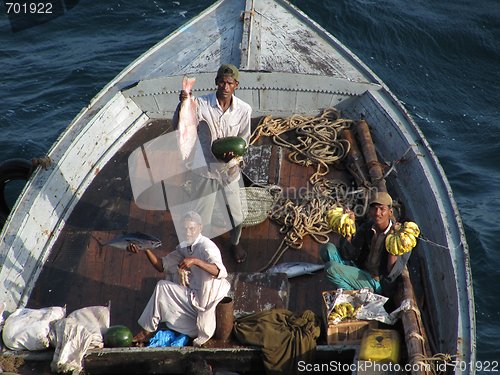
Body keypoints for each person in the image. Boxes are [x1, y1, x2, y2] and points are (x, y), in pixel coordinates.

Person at [173, 64, 252, 264]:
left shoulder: (244, 110)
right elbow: (178, 125)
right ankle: (201, 250)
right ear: (216, 82)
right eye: (222, 82)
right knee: (201, 217)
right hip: (205, 170)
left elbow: (244, 141)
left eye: (230, 83)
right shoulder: (200, 104)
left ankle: (234, 242)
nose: (225, 86)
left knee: (237, 214)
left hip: (230, 170)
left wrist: (232, 159)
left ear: (236, 85)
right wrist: (182, 104)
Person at [129, 211, 230, 346]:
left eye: (191, 229)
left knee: (162, 287)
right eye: (185, 229)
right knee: (166, 282)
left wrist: (195, 261)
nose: (188, 233)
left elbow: (219, 271)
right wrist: (145, 248)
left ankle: (148, 331)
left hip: (208, 301)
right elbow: (162, 266)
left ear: (200, 228)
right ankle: (148, 330)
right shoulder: (183, 247)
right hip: (194, 298)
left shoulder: (207, 246)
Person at [320, 191, 411, 296]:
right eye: (374, 208)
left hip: (376, 282)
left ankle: (351, 294)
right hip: (360, 269)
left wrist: (393, 249)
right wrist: (349, 229)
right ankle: (351, 285)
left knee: (331, 268)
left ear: (390, 212)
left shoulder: (401, 239)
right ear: (370, 211)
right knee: (327, 249)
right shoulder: (367, 227)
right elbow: (349, 255)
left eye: (382, 209)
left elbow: (392, 274)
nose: (377, 213)